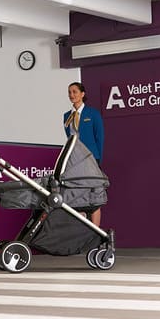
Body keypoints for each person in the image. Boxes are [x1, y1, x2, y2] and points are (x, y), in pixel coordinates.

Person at [63, 81, 105, 227]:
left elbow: (99, 138)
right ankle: (82, 231)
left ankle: (95, 231)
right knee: (77, 196)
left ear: (82, 94)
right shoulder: (66, 116)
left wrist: (97, 159)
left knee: (94, 195)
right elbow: (69, 140)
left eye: (74, 92)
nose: (71, 95)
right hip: (74, 162)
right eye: (69, 92)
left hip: (91, 160)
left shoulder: (92, 114)